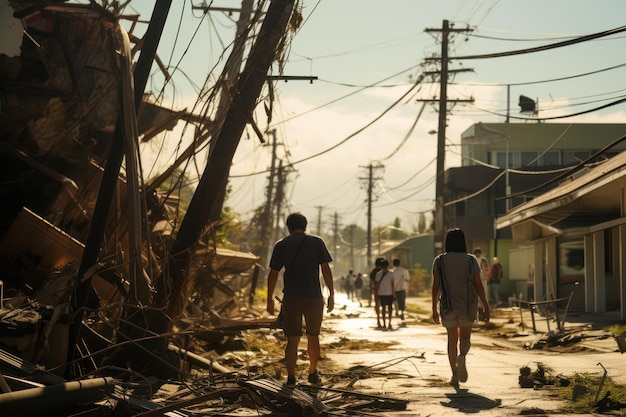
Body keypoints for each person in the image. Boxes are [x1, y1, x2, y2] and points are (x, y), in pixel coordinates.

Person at [266, 212, 335, 386]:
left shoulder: (281, 245)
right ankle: (313, 373)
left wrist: (269, 299)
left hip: (291, 298)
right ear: (305, 226)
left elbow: (273, 274)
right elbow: (326, 269)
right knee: (313, 336)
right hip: (314, 297)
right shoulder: (317, 242)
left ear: (288, 227)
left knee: (292, 339)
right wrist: (331, 294)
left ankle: (291, 378)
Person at [431, 228, 490, 388]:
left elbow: (436, 286)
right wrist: (485, 305)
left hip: (447, 305)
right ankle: (462, 355)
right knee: (465, 337)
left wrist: (433, 308)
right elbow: (478, 284)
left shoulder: (440, 261)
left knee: (452, 339)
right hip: (468, 305)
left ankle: (455, 374)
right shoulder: (471, 260)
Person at [375, 259, 395, 330]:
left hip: (381, 294)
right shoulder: (391, 274)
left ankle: (384, 323)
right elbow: (392, 285)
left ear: (381, 266)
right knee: (390, 309)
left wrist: (376, 294)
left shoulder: (378, 274)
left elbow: (377, 285)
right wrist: (394, 294)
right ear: (388, 265)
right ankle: (389, 322)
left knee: (383, 309)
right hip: (389, 294)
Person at [473, 248, 489, 319]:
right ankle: (479, 311)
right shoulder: (473, 259)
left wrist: (486, 276)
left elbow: (486, 269)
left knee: (483, 294)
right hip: (475, 279)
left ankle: (483, 310)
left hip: (482, 279)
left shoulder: (483, 260)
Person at [369, 257, 384, 324]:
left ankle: (378, 318)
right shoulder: (384, 271)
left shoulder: (373, 271)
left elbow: (371, 281)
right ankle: (383, 319)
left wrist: (372, 289)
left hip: (376, 290)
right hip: (384, 290)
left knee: (377, 304)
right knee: (384, 305)